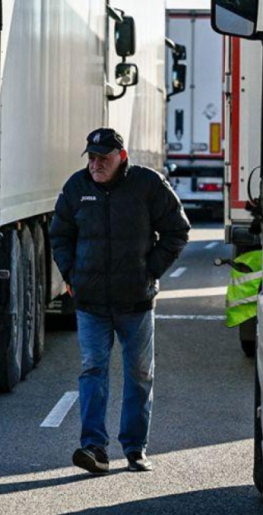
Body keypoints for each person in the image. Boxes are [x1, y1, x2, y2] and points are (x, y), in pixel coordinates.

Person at [49, 128, 190, 474]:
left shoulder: (147, 184)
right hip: (91, 303)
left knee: (139, 374)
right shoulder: (76, 188)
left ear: (121, 157)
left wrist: (150, 270)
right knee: (93, 369)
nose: (96, 164)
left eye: (103, 158)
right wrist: (70, 276)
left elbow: (178, 230)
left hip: (136, 303)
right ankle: (94, 448)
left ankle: (135, 448)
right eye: (92, 157)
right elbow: (60, 234)